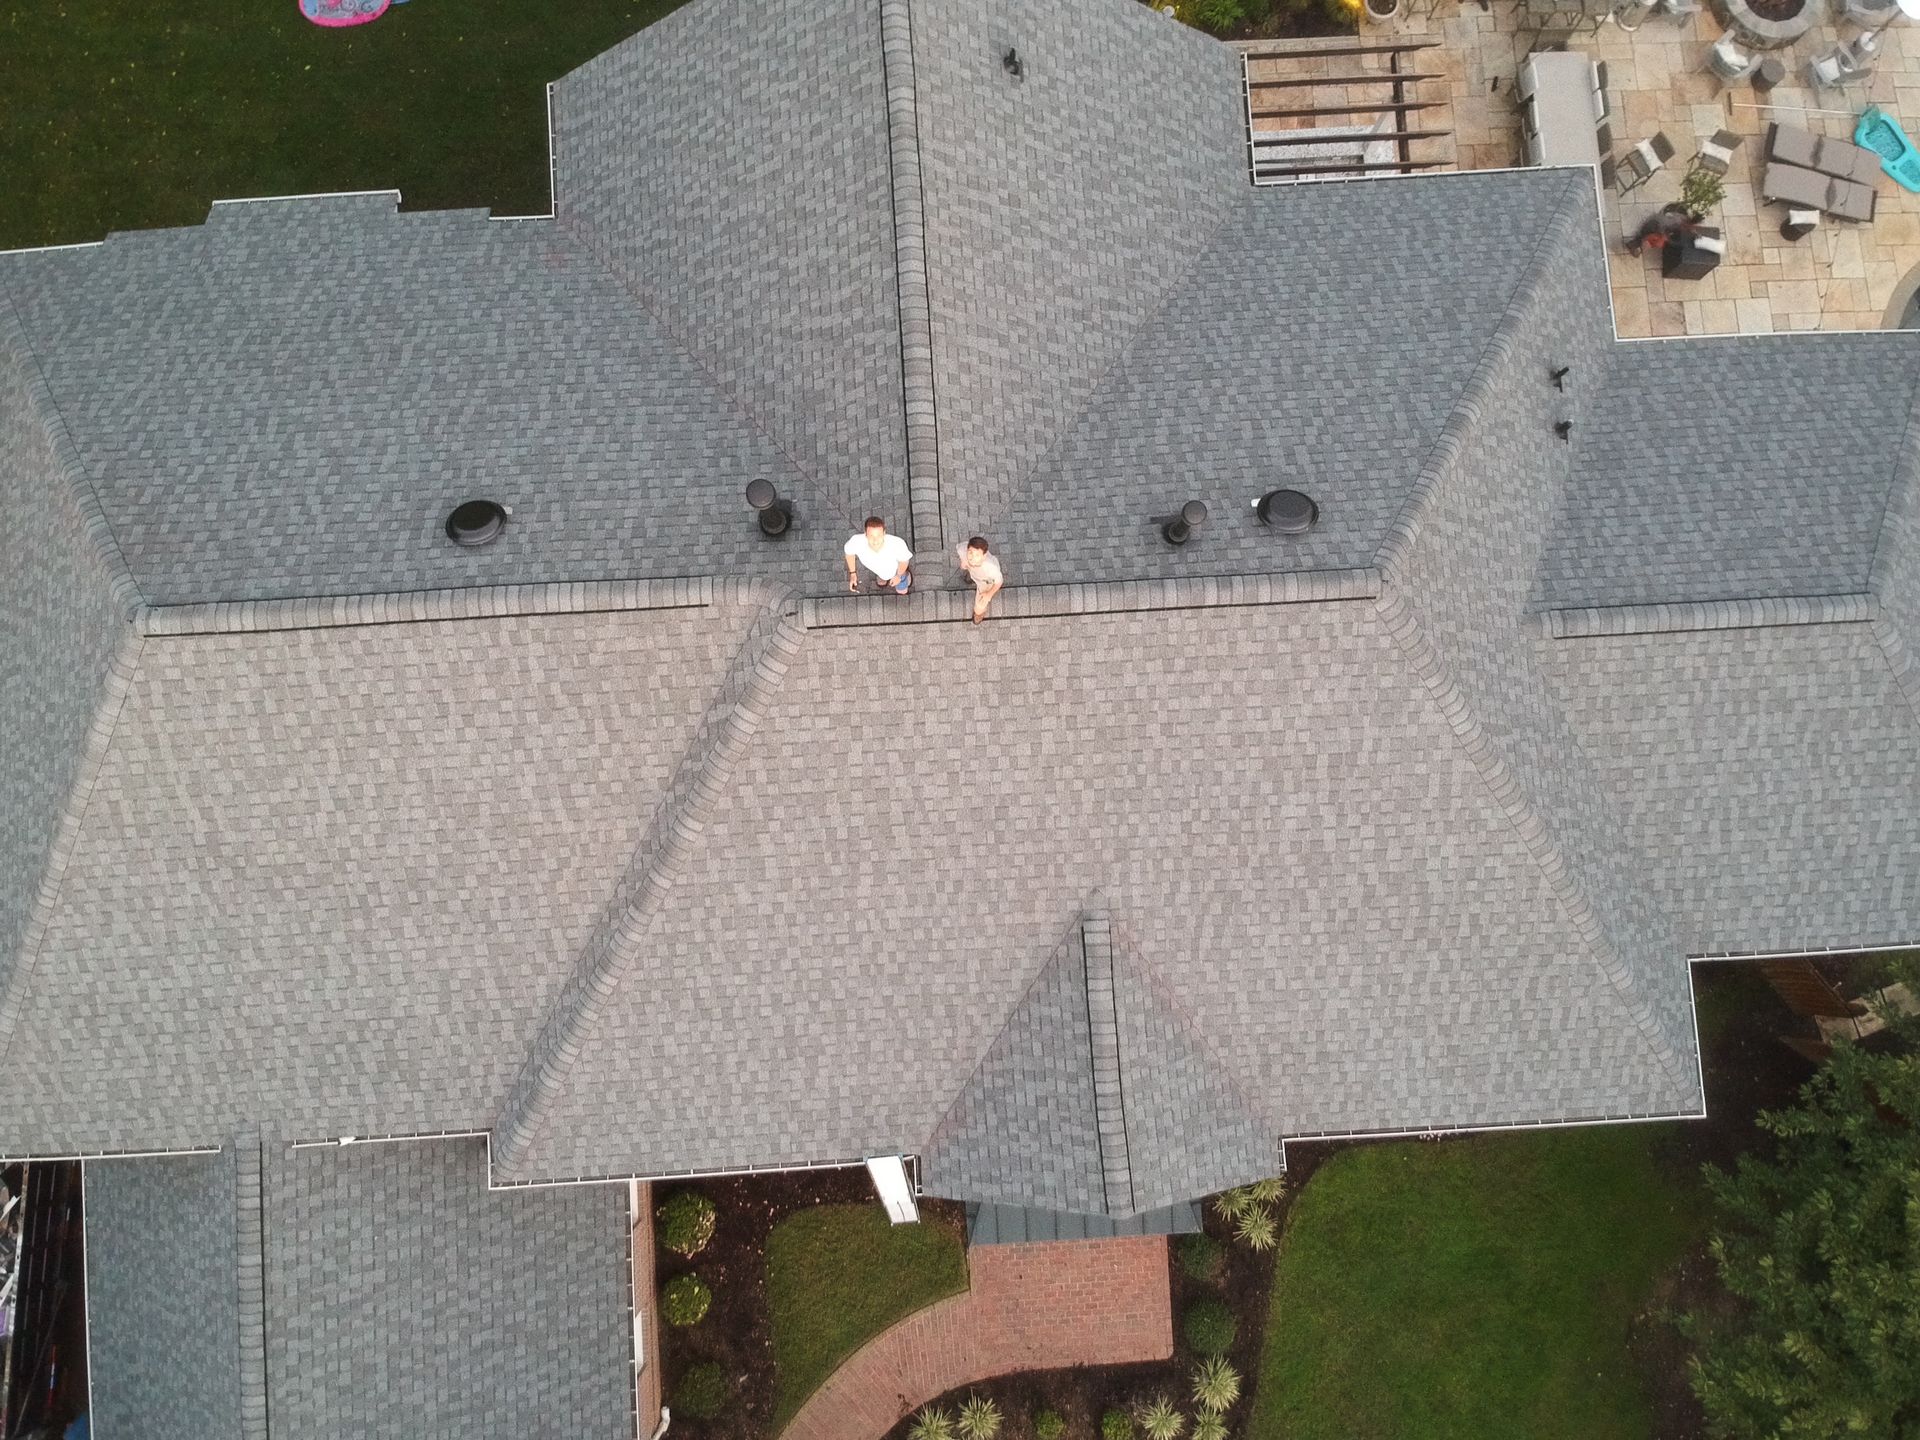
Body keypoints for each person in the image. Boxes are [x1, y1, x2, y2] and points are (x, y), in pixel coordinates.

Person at [844, 516, 913, 595]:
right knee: (883, 576)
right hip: (879, 570)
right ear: (865, 534)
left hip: (897, 571)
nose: (875, 541)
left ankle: (905, 575)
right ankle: (883, 577)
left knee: (902, 591)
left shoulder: (897, 544)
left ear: (884, 533)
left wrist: (898, 576)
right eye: (871, 536)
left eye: (879, 536)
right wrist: (853, 573)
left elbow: (904, 561)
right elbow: (849, 554)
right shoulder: (856, 541)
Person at [955, 536, 1004, 624]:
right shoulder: (962, 549)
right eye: (970, 553)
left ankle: (979, 613)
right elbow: (960, 552)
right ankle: (971, 577)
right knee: (971, 570)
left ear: (984, 556)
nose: (972, 557)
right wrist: (963, 562)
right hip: (974, 571)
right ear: (967, 549)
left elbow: (999, 581)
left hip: (986, 580)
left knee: (980, 604)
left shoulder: (991, 568)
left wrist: (988, 595)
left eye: (977, 555)